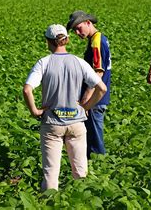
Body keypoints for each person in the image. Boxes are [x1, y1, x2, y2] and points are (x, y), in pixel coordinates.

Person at [23, 24, 107, 191]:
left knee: (51, 173)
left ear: (49, 41)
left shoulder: (44, 63)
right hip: (76, 124)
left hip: (52, 124)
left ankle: (50, 203)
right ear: (66, 40)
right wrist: (86, 106)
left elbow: (27, 89)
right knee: (80, 171)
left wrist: (35, 111)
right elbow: (102, 88)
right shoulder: (79, 62)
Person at [66, 11, 111, 159]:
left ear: (88, 23)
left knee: (95, 139)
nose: (78, 33)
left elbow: (97, 74)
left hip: (95, 99)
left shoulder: (97, 42)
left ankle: (99, 165)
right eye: (75, 31)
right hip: (97, 98)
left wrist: (86, 100)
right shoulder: (97, 39)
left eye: (79, 28)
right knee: (90, 135)